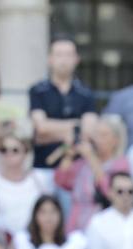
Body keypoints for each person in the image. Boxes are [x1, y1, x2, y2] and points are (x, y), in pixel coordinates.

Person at [28, 35, 97, 191]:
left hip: (77, 168)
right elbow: (41, 129)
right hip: (43, 167)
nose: (63, 60)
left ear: (76, 59)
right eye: (59, 54)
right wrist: (76, 126)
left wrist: (49, 132)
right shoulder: (38, 91)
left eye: (68, 55)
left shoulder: (85, 93)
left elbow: (88, 132)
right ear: (50, 59)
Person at [53, 115, 130, 233]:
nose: (98, 139)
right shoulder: (82, 163)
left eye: (104, 135)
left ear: (116, 140)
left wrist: (91, 157)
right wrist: (69, 155)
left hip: (104, 225)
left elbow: (109, 191)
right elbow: (60, 181)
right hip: (76, 223)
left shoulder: (121, 164)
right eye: (96, 135)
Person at [0, 135, 48, 235]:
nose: (9, 154)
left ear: (26, 153)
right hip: (0, 240)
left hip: (34, 238)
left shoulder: (40, 178)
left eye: (15, 150)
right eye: (3, 150)